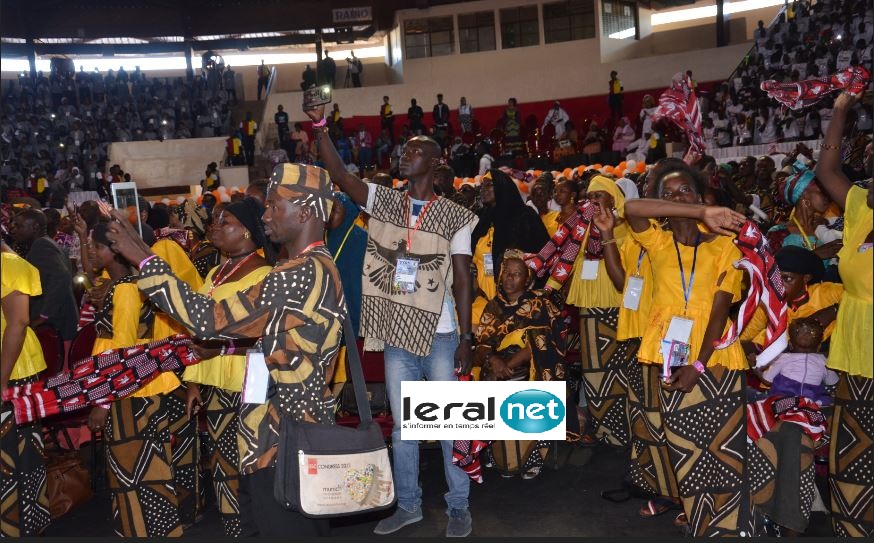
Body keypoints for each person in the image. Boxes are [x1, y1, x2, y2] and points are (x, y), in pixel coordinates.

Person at [105, 162, 347, 537]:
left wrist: (146, 260)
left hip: (282, 442)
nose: (264, 215)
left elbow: (210, 319)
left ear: (304, 211)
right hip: (276, 437)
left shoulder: (297, 274)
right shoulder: (310, 267)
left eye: (274, 206)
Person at [305, 101, 478, 537]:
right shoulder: (385, 203)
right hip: (399, 336)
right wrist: (321, 126)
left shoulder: (455, 216)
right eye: (404, 149)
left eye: (415, 151)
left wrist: (466, 335)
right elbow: (343, 178)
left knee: (448, 425)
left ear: (435, 164)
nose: (405, 154)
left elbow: (462, 279)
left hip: (440, 336)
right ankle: (409, 505)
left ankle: (458, 506)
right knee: (404, 430)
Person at [624, 161, 751, 537]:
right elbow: (631, 209)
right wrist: (698, 211)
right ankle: (700, 525)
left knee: (724, 450)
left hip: (715, 358)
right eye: (668, 194)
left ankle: (728, 529)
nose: (677, 197)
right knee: (686, 451)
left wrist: (699, 363)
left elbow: (719, 310)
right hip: (672, 352)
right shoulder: (657, 241)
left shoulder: (726, 246)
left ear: (700, 195)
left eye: (686, 191)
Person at [182, 198, 273, 537]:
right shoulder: (215, 272)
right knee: (222, 461)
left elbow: (263, 335)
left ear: (248, 230)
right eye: (215, 221)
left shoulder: (263, 274)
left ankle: (256, 528)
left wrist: (217, 346)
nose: (214, 227)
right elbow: (198, 330)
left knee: (251, 461)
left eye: (225, 222)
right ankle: (235, 530)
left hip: (250, 381)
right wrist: (194, 382)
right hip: (218, 382)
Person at [814, 91, 873, 537]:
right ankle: (854, 525)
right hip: (855, 348)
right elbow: (826, 170)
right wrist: (839, 111)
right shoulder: (858, 207)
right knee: (853, 446)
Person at [474, 250, 565, 479]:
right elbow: (482, 344)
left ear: (527, 279)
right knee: (485, 385)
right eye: (506, 273)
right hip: (497, 365)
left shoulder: (538, 303)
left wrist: (506, 367)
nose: (510, 278)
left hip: (529, 364)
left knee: (523, 383)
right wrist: (494, 360)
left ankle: (532, 456)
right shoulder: (493, 306)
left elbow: (539, 342)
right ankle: (500, 455)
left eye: (517, 274)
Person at [0, 241, 51, 537]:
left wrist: (2, 380)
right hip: (11, 369)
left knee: (15, 456)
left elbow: (18, 322)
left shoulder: (10, 265)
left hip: (12, 369)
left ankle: (17, 526)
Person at [470, 170, 550, 328]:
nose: (483, 189)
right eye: (482, 185)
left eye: (489, 185)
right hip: (481, 294)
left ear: (502, 187)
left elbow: (543, 254)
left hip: (514, 296)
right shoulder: (481, 218)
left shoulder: (524, 216)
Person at [11, 209, 78, 346]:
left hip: (56, 325)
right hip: (62, 321)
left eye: (19, 226)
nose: (14, 230)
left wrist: (44, 316)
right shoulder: (50, 243)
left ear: (35, 227)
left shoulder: (41, 246)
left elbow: (62, 277)